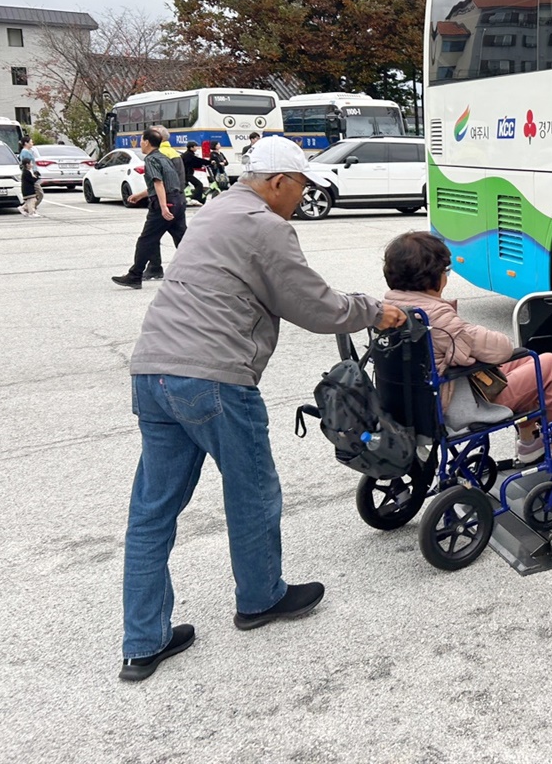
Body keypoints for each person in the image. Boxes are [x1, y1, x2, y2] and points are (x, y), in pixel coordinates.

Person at [119, 135, 406, 682]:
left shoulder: (212, 213)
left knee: (152, 511)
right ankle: (259, 599)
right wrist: (377, 311)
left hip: (152, 371)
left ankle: (142, 643)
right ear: (278, 182)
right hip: (214, 378)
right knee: (252, 491)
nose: (301, 199)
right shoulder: (265, 225)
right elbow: (314, 306)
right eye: (301, 187)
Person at [382, 231, 552, 465]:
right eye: (444, 271)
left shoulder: (391, 309)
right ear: (432, 279)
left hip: (424, 400)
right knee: (547, 365)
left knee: (524, 363)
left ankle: (530, 440)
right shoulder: (436, 318)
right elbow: (500, 348)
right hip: (456, 408)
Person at [112, 129, 185, 289]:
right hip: (178, 200)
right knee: (184, 240)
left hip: (165, 204)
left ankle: (135, 275)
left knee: (146, 240)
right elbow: (162, 184)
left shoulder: (151, 159)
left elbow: (158, 183)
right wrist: (140, 195)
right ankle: (201, 274)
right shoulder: (165, 157)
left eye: (141, 141)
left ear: (146, 142)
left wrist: (164, 207)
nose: (140, 144)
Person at [18, 137, 44, 211]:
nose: (32, 143)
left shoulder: (28, 151)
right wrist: (33, 174)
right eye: (31, 142)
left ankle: (29, 208)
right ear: (26, 143)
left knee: (36, 194)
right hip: (31, 174)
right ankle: (28, 208)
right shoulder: (25, 152)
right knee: (39, 193)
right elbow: (27, 165)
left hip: (33, 173)